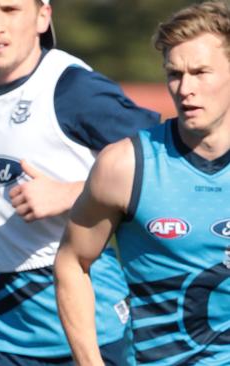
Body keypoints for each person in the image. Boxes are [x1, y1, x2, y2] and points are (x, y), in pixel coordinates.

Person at [0, 0, 161, 364]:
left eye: (10, 10)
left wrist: (72, 193)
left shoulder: (73, 88)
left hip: (90, 310)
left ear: (43, 17)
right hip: (6, 320)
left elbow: (160, 159)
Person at [54, 1, 230, 364]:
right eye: (175, 74)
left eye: (200, 72)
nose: (185, 89)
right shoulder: (126, 165)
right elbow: (72, 262)